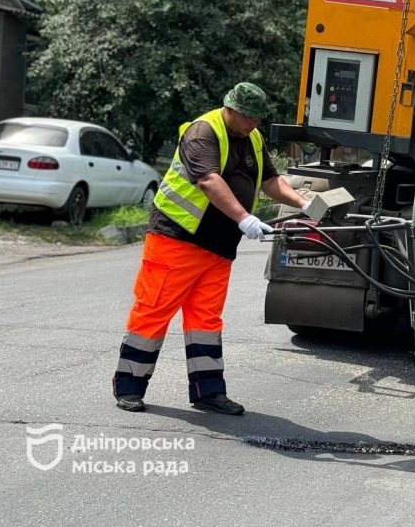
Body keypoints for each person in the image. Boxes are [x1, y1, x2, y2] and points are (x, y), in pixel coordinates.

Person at [112, 82, 310, 415]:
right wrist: (245, 218)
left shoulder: (253, 139)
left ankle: (208, 392)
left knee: (205, 320)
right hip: (176, 240)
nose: (252, 125)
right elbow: (208, 180)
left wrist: (304, 204)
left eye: (257, 120)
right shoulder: (202, 132)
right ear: (229, 109)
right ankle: (129, 387)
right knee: (153, 311)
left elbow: (270, 181)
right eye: (247, 118)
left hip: (217, 247)